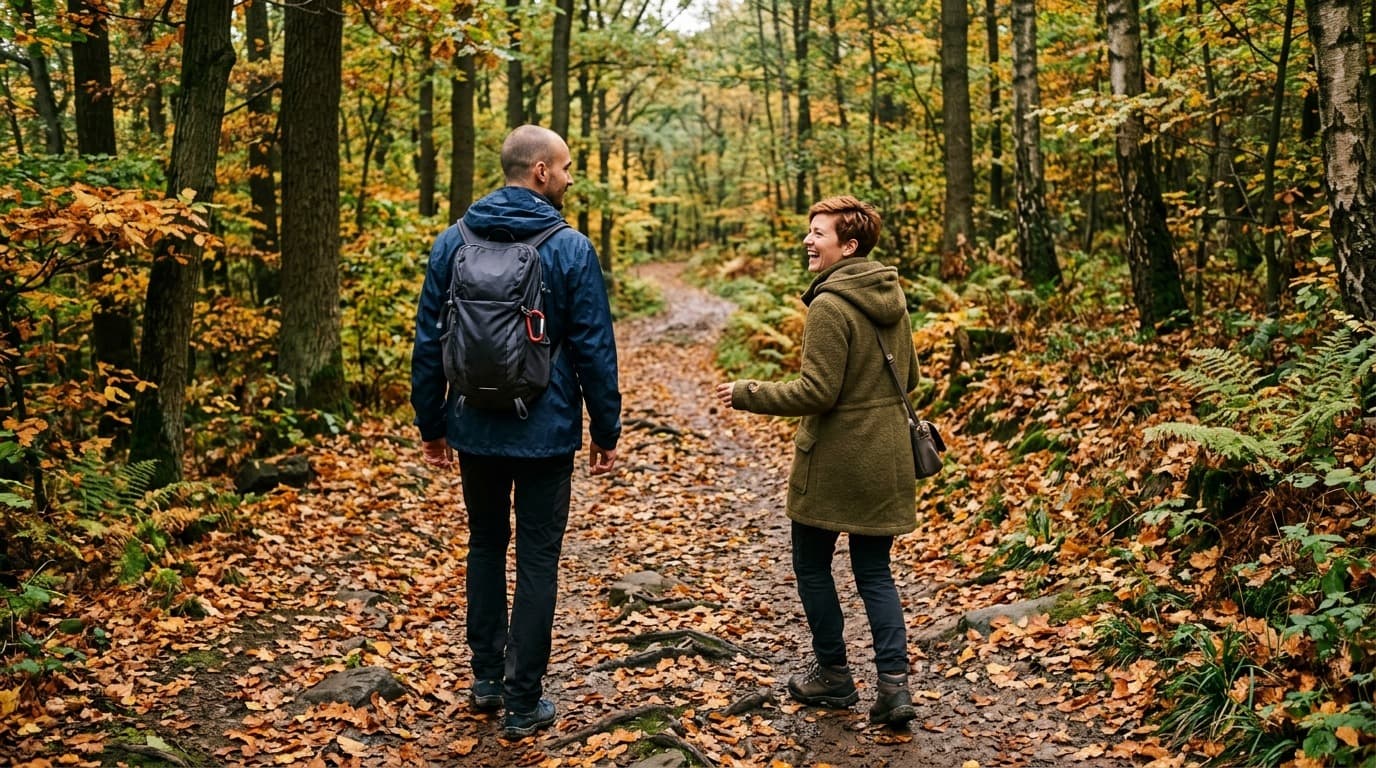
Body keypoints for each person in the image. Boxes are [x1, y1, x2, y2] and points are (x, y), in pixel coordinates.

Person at [410, 125, 621, 739]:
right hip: (546, 429)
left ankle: (485, 680)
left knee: (484, 545)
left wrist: (432, 421)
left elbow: (429, 340)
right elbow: (593, 348)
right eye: (565, 167)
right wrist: (604, 429)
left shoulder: (453, 241)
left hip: (473, 424)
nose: (570, 176)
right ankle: (524, 703)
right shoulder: (570, 248)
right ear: (539, 173)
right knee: (536, 560)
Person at [714, 195, 919, 726]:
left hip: (835, 460)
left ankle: (832, 673)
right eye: (810, 230)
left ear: (848, 246)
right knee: (875, 572)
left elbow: (817, 391)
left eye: (819, 233)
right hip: (888, 456)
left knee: (811, 564)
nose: (808, 239)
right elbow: (912, 379)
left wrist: (748, 392)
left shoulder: (830, 303)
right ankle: (894, 689)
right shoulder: (890, 293)